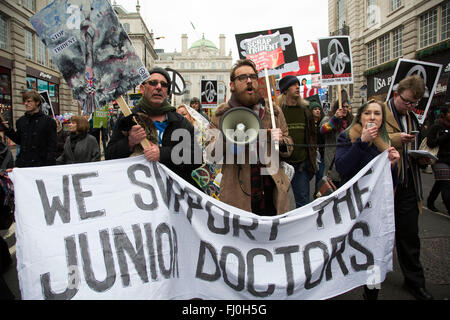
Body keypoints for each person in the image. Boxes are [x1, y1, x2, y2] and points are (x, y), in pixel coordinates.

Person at [208, 59, 294, 215]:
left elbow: (289, 148)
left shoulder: (273, 112)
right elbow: (211, 152)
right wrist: (230, 136)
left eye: (253, 77)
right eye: (242, 77)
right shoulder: (220, 115)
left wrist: (281, 141)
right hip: (238, 194)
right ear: (232, 85)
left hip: (270, 193)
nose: (249, 81)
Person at [335, 99, 400, 300]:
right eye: (368, 113)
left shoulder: (385, 143)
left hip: (375, 210)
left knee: (374, 252)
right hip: (352, 206)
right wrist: (361, 143)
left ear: (382, 119)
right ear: (360, 116)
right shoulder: (347, 137)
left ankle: (371, 294)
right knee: (347, 251)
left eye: (377, 114)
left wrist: (393, 166)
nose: (372, 117)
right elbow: (343, 168)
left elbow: (390, 183)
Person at [106, 67, 200, 188]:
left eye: (164, 84)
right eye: (153, 83)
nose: (159, 87)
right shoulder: (127, 119)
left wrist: (162, 153)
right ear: (142, 88)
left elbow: (195, 158)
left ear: (167, 92)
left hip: (173, 194)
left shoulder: (181, 123)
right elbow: (109, 156)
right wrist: (129, 142)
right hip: (137, 192)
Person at [383, 74, 434, 300]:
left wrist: (424, 159)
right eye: (407, 101)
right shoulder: (379, 112)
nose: (410, 107)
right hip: (384, 187)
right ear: (396, 94)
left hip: (409, 184)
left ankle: (415, 282)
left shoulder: (414, 118)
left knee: (409, 235)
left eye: (415, 103)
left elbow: (421, 146)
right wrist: (395, 139)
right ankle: (369, 283)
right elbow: (365, 140)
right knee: (379, 235)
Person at [278, 75, 317, 208]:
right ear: (285, 90)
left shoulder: (306, 111)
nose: (297, 87)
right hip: (281, 165)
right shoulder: (277, 112)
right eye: (293, 85)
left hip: (301, 165)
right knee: (279, 202)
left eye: (298, 84)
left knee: (303, 203)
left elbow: (312, 136)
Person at [0, 91, 57, 168]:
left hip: (41, 165)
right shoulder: (21, 121)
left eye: (29, 101)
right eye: (25, 101)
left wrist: (49, 167)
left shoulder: (49, 122)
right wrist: (9, 129)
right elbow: (19, 140)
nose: (26, 104)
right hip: (23, 164)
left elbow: (52, 147)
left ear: (37, 102)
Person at [320, 99, 354, 188]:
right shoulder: (329, 118)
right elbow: (323, 130)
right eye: (343, 107)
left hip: (348, 161)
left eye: (347, 107)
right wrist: (335, 118)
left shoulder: (352, 120)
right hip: (333, 163)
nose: (345, 109)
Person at [426, 106, 450, 214]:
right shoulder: (436, 127)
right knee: (446, 185)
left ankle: (430, 201)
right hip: (439, 160)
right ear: (444, 114)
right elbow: (430, 143)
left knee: (441, 182)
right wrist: (446, 137)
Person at [309, 100, 325, 198]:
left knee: (320, 175)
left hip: (320, 153)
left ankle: (317, 193)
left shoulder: (322, 123)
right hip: (311, 153)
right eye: (315, 109)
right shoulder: (308, 124)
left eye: (319, 109)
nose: (317, 111)